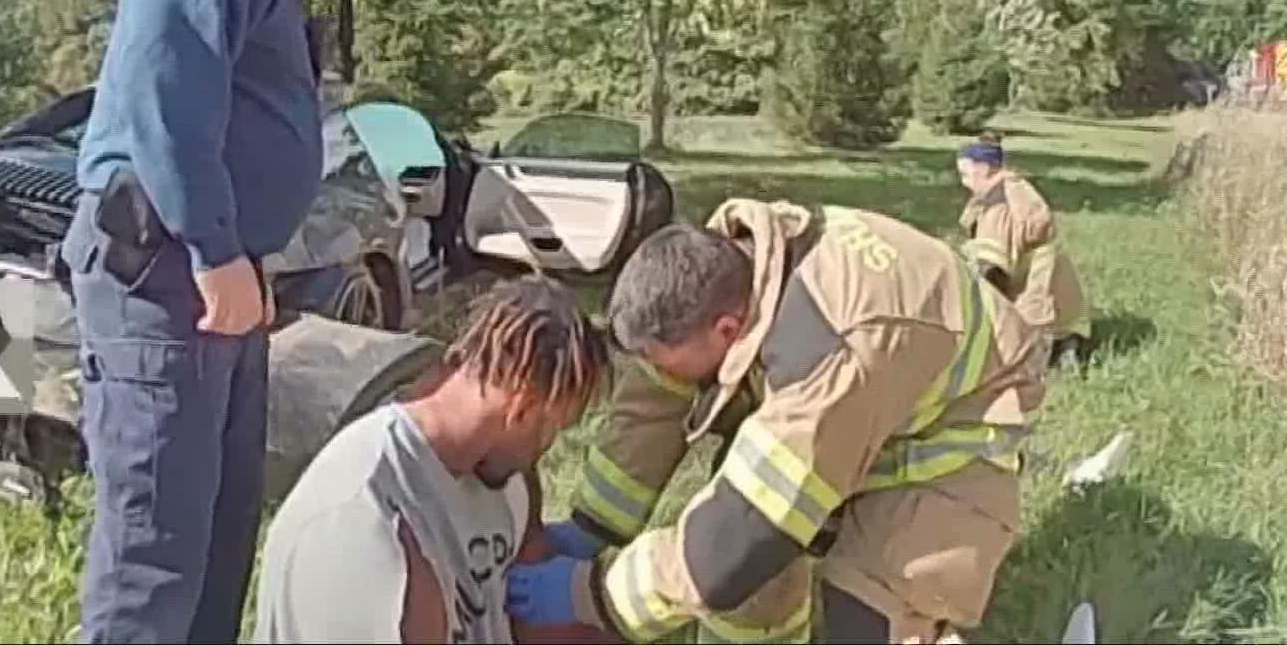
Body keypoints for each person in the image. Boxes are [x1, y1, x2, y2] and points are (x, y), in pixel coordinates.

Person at [61, 0, 461, 644]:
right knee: (154, 563)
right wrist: (213, 252)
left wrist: (247, 264)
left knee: (216, 540)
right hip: (164, 275)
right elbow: (167, 98)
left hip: (213, 289)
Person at [513, 200, 1049, 644]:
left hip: (957, 417)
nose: (659, 377)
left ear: (727, 330)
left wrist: (592, 593)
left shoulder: (829, 355)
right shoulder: (725, 270)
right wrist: (593, 528)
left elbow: (745, 534)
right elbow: (656, 402)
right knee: (753, 577)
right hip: (876, 381)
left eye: (664, 362)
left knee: (866, 617)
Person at [250, 275, 613, 644]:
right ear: (521, 408)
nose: (546, 446)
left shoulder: (508, 480)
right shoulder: (370, 515)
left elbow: (539, 620)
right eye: (550, 428)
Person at [957, 131, 1092, 369]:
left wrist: (974, 313)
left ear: (984, 169)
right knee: (1058, 318)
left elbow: (991, 269)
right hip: (1057, 280)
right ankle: (1066, 351)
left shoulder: (997, 207)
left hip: (1032, 285)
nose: (963, 182)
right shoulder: (1018, 188)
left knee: (1023, 335)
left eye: (965, 174)